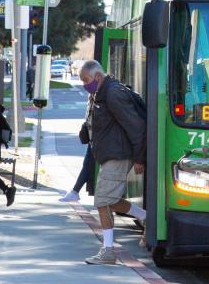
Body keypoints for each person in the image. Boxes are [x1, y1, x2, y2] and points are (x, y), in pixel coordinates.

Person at [79, 60, 146, 266]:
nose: (84, 84)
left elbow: (136, 126)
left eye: (86, 80)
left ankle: (108, 251)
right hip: (112, 154)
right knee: (110, 199)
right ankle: (147, 218)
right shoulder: (100, 93)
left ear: (97, 76)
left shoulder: (113, 93)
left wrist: (139, 157)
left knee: (102, 201)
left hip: (118, 156)